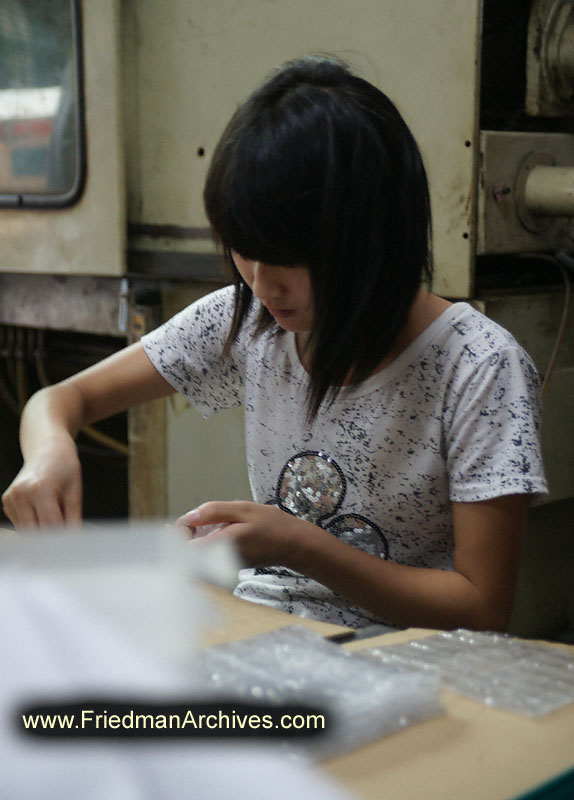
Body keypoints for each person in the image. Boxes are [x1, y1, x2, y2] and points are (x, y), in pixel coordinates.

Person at [2, 55, 547, 632]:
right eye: (243, 249)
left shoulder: (479, 364)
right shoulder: (249, 320)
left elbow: (482, 608)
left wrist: (298, 545)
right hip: (270, 641)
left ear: (370, 239)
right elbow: (60, 401)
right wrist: (47, 451)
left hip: (416, 671)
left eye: (287, 256)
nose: (261, 284)